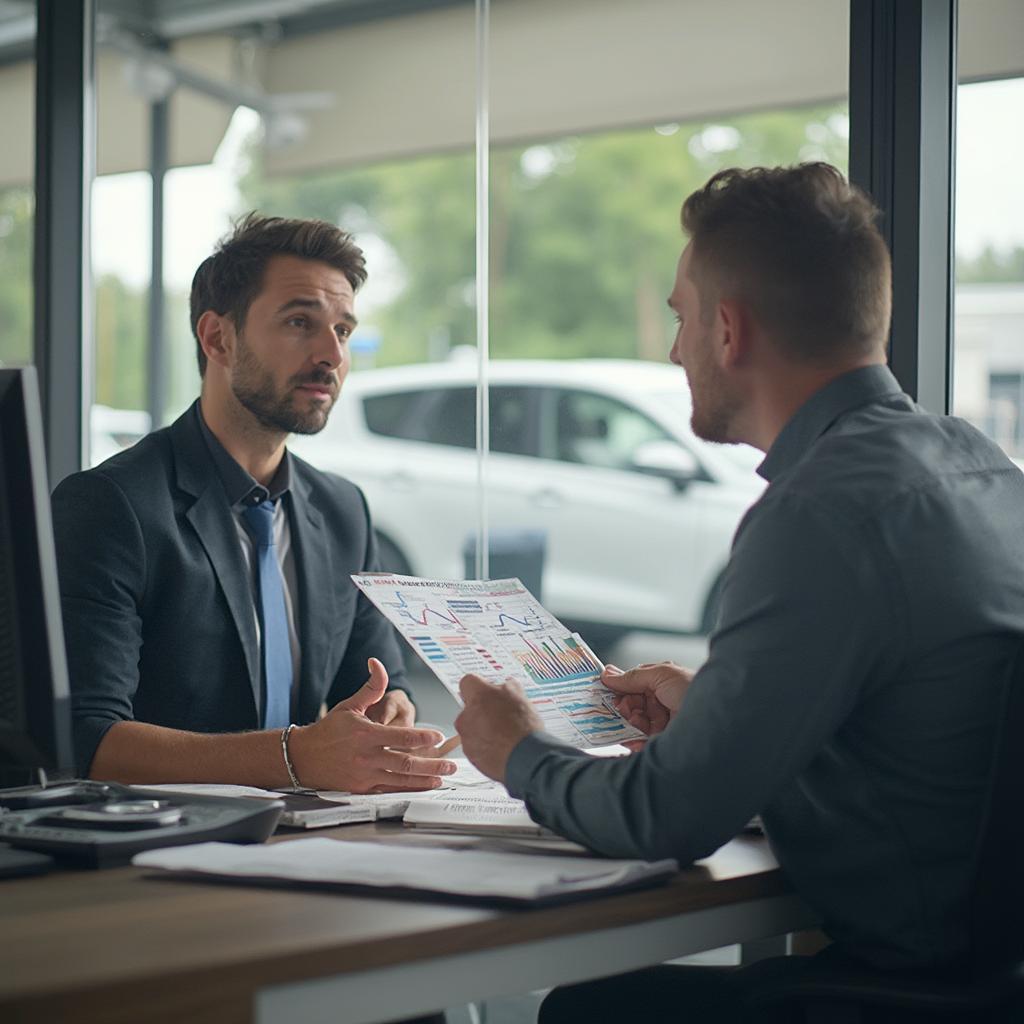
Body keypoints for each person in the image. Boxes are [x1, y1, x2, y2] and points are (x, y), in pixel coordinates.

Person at [454, 163, 1024, 1021]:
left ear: (729, 330)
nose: (673, 349)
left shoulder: (819, 512)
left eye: (682, 319)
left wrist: (518, 753)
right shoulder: (980, 468)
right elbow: (926, 741)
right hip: (996, 972)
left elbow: (667, 818)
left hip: (920, 992)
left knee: (586, 1012)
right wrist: (717, 713)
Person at [52, 213, 457, 794]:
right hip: (156, 849)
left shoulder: (343, 510)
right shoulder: (111, 505)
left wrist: (391, 710)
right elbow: (87, 739)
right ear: (218, 337)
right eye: (300, 322)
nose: (331, 355)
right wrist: (293, 758)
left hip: (312, 839)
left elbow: (380, 683)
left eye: (343, 330)